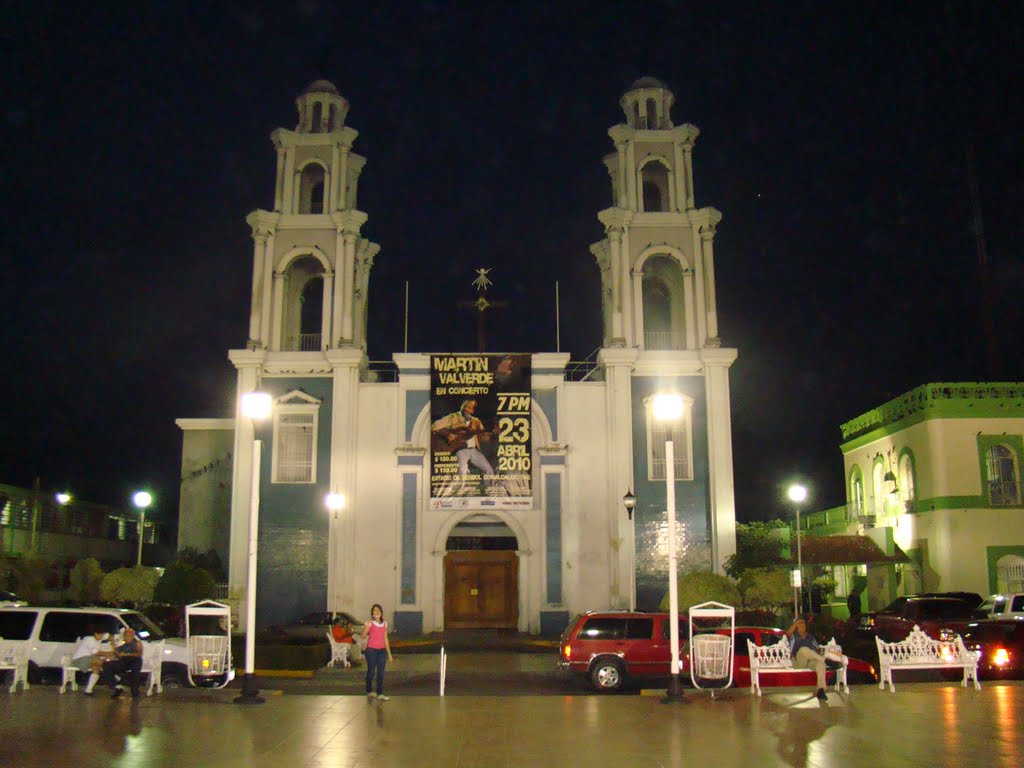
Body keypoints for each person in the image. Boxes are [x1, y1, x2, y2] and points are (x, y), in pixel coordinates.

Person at [431, 399, 495, 493]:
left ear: (472, 410)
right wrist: (449, 435)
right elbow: (434, 426)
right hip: (460, 449)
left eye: (469, 407)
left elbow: (483, 436)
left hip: (474, 450)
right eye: (464, 406)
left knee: (488, 469)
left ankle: (491, 491)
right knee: (462, 471)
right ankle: (460, 493)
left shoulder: (476, 421)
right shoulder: (453, 417)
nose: (465, 409)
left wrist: (491, 433)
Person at [786, 615, 828, 701]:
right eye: (800, 623)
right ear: (796, 626)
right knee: (803, 649)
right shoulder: (794, 636)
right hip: (799, 662)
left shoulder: (810, 637)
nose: (802, 625)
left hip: (811, 662)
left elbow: (817, 649)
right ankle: (827, 661)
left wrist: (821, 651)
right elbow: (788, 633)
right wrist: (795, 623)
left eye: (803, 623)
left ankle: (821, 690)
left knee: (821, 664)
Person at [71, 625, 115, 695]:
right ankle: (114, 678)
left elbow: (110, 636)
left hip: (89, 659)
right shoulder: (89, 639)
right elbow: (97, 653)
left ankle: (88, 690)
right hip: (80, 660)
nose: (102, 636)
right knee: (100, 661)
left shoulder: (100, 637)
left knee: (96, 668)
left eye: (102, 634)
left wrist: (113, 641)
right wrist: (110, 653)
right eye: (100, 635)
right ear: (95, 634)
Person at [361, 603, 393, 701]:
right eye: (374, 610)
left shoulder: (385, 623)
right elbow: (362, 636)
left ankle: (380, 693)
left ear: (381, 612)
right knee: (371, 672)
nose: (376, 612)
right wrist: (366, 626)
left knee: (381, 673)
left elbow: (385, 638)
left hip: (382, 651)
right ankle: (369, 691)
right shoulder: (370, 623)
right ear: (372, 613)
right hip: (371, 651)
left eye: (378, 610)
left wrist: (389, 654)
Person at [102, 627, 145, 699]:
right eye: (125, 635)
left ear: (132, 636)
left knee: (135, 671)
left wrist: (127, 654)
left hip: (135, 660)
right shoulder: (122, 644)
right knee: (106, 665)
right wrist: (115, 651)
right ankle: (116, 686)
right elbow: (117, 655)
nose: (127, 637)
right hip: (124, 661)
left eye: (129, 635)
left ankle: (135, 692)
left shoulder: (137, 643)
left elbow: (139, 654)